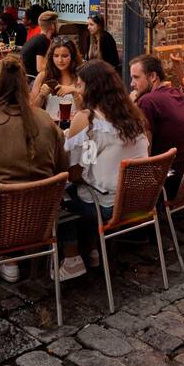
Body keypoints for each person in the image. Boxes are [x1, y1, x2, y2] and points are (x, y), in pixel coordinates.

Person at [0, 55, 69, 292]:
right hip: (40, 219)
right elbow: (62, 167)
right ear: (24, 86)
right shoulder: (46, 121)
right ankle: (11, 263)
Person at [61, 60, 150, 281]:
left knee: (59, 193)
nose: (78, 90)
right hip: (141, 203)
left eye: (80, 85)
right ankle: (91, 250)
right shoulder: (134, 115)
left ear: (93, 88)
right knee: (91, 183)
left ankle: (72, 259)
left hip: (110, 208)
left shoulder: (89, 121)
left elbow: (75, 170)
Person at [129, 54, 184, 182]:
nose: (131, 84)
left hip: (170, 179)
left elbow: (145, 151)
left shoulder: (147, 101)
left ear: (152, 77)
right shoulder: (176, 92)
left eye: (136, 78)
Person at [30, 36, 81, 123]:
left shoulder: (80, 76)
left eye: (65, 56)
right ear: (51, 57)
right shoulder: (43, 76)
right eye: (56, 56)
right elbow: (32, 110)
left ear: (72, 56)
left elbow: (86, 111)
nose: (60, 60)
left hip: (74, 127)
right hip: (49, 127)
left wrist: (74, 92)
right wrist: (41, 96)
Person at [21, 11, 58, 77]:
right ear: (53, 26)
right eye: (57, 23)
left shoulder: (39, 38)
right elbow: (40, 68)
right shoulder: (43, 41)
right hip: (29, 78)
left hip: (23, 76)